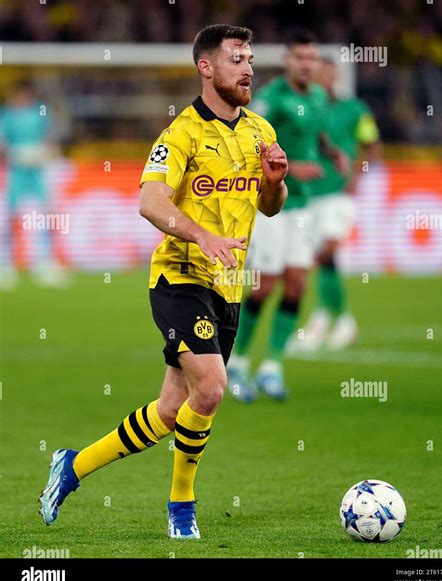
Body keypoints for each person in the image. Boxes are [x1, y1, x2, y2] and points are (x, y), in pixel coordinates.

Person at [38, 24, 288, 540]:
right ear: (207, 68)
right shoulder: (181, 134)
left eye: (250, 58)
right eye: (237, 59)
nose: (248, 68)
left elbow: (269, 208)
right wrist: (200, 235)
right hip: (179, 277)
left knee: (175, 411)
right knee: (214, 388)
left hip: (227, 287)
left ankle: (72, 465)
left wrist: (274, 182)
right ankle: (181, 506)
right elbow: (150, 201)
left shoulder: (261, 130)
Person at [226, 30, 347, 402]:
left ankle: (272, 366)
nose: (307, 64)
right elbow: (246, 150)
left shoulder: (316, 97)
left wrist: (333, 153)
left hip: (305, 206)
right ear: (287, 61)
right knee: (265, 285)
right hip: (271, 207)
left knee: (297, 285)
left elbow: (318, 133)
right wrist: (291, 168)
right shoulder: (270, 100)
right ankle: (238, 363)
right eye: (300, 58)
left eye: (312, 58)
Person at [294, 57, 381, 351]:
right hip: (311, 194)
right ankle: (328, 317)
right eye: (321, 75)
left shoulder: (355, 109)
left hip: (339, 193)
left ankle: (337, 319)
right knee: (323, 257)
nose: (326, 80)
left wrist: (359, 174)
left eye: (330, 75)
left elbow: (372, 144)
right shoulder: (308, 109)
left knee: (327, 250)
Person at [0, 81, 65, 290]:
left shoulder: (40, 112)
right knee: (9, 216)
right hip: (16, 170)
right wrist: (14, 153)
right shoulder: (7, 114)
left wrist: (45, 152)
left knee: (47, 215)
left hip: (37, 170)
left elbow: (50, 137)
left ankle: (44, 263)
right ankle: (5, 264)